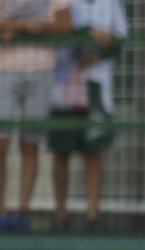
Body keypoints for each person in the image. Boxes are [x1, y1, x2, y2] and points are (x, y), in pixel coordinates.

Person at [48, 0, 128, 232]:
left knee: (93, 149)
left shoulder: (111, 2)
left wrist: (100, 50)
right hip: (64, 81)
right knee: (61, 150)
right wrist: (85, 36)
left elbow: (121, 35)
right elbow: (59, 27)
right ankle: (60, 213)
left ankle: (93, 214)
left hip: (96, 85)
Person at [0, 0, 72, 231]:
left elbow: (64, 24)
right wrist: (25, 26)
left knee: (30, 144)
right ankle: (1, 211)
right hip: (4, 69)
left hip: (41, 69)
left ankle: (23, 210)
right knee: (1, 143)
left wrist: (35, 27)